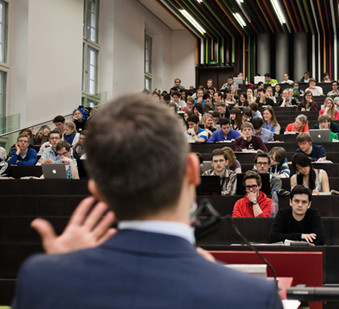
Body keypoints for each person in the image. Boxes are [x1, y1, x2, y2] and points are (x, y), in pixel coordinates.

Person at [12, 94, 281, 308]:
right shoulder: (253, 297)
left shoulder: (42, 280)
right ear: (191, 170)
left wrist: (61, 278)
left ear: (97, 191)